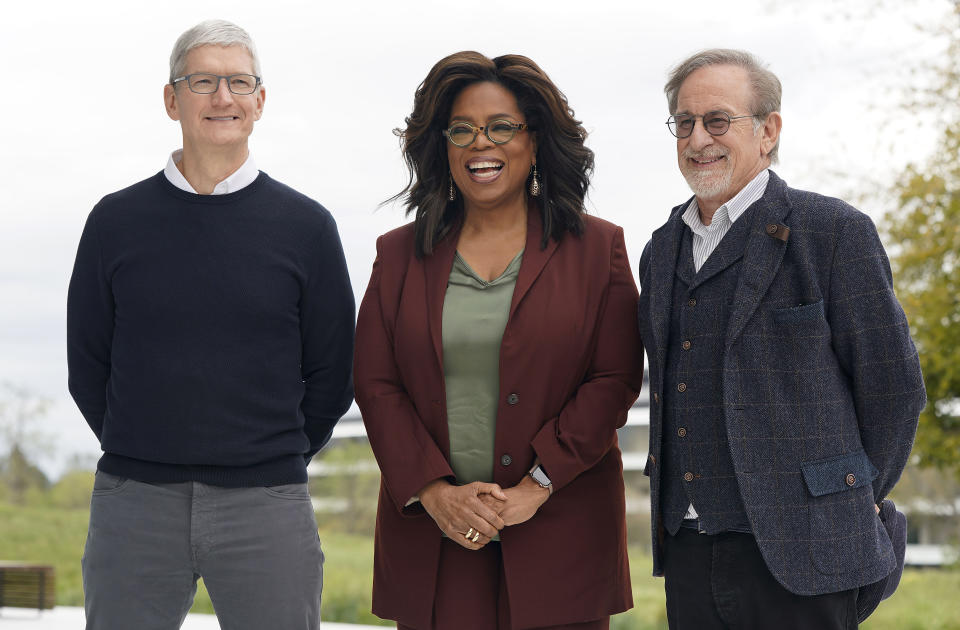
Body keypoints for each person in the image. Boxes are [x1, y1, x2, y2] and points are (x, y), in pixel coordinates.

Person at [66, 19, 354, 630]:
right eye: (203, 81)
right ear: (172, 99)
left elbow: (333, 370)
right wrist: (145, 447)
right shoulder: (114, 222)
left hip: (268, 504)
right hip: (134, 502)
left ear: (260, 101)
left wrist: (270, 457)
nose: (223, 97)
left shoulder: (307, 227)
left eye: (239, 82)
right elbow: (87, 364)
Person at [636, 48, 926, 630]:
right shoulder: (659, 249)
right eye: (685, 123)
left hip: (806, 550)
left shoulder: (834, 231)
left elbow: (893, 389)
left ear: (767, 131)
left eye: (717, 120)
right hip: (689, 546)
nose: (698, 139)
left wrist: (853, 500)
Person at [354, 51, 644, 630]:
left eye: (501, 127)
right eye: (461, 130)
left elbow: (613, 379)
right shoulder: (397, 254)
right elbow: (376, 383)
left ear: (534, 142)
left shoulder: (597, 249)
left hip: (560, 532)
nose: (479, 144)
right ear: (442, 147)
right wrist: (435, 492)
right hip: (437, 539)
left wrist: (536, 485)